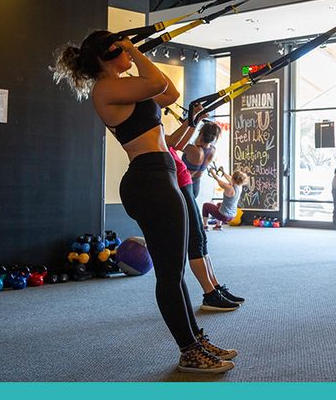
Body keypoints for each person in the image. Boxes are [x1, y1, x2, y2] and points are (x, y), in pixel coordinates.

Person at [51, 30, 235, 373]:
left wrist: (131, 52)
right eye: (119, 50)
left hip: (162, 176)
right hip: (148, 180)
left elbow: (169, 91)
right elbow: (153, 83)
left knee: (175, 270)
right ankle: (188, 352)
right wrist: (134, 49)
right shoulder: (106, 89)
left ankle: (195, 340)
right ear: (109, 54)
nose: (128, 55)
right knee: (168, 274)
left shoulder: (125, 87)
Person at [166, 107, 245, 312]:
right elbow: (175, 142)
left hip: (187, 184)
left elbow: (180, 144)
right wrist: (192, 120)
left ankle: (215, 287)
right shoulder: (210, 151)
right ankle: (211, 292)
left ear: (201, 133)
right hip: (187, 186)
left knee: (200, 236)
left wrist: (193, 121)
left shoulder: (193, 149)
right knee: (197, 237)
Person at [182, 122, 221, 198]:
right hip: (195, 187)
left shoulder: (195, 150)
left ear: (201, 134)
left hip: (184, 186)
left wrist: (190, 126)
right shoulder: (213, 150)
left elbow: (177, 144)